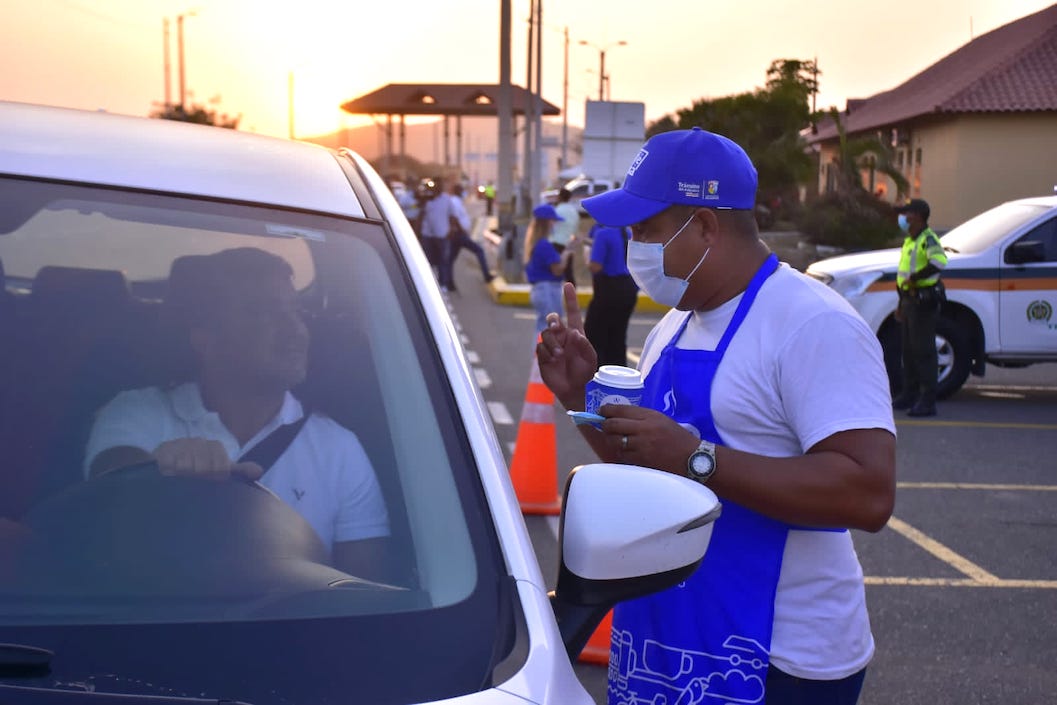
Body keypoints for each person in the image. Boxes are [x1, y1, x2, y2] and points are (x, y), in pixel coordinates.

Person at [536, 127, 896, 705]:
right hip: (671, 640)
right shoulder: (674, 324)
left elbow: (868, 492)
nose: (635, 249)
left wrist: (697, 457)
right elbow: (652, 470)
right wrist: (581, 397)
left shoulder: (811, 323)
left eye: (646, 231)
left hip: (779, 661)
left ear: (704, 225)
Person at [83, 247, 392, 581]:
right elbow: (108, 483)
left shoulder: (339, 449)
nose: (295, 330)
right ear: (205, 338)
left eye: (296, 312)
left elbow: (365, 588)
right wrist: (155, 472)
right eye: (263, 312)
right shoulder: (136, 411)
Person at [892, 198, 947, 417]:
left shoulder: (928, 239)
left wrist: (917, 277)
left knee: (924, 352)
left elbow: (939, 262)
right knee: (908, 351)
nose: (903, 218)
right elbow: (903, 276)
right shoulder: (910, 241)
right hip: (908, 302)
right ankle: (909, 394)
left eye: (907, 213)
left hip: (923, 302)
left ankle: (928, 401)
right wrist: (900, 304)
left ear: (918, 216)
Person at [583, 222, 638, 367]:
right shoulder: (628, 233)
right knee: (618, 337)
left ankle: (598, 374)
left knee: (595, 335)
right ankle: (618, 375)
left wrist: (587, 260)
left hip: (608, 289)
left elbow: (596, 266)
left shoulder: (602, 234)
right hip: (628, 288)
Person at [523, 203, 573, 334]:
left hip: (542, 290)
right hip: (548, 291)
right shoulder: (544, 245)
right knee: (549, 330)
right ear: (546, 223)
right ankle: (539, 355)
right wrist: (567, 254)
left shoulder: (537, 243)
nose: (554, 224)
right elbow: (557, 269)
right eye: (553, 221)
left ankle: (538, 354)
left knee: (543, 328)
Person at [447, 183, 494, 285]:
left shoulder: (457, 202)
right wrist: (461, 230)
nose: (463, 193)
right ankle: (487, 276)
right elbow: (453, 218)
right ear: (458, 191)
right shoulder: (454, 202)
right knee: (479, 250)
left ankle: (448, 281)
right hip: (459, 235)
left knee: (451, 258)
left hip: (458, 234)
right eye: (461, 190)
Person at [419, 178, 456, 291]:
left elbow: (452, 216)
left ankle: (443, 284)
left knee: (443, 260)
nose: (438, 187)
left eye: (441, 185)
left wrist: (451, 230)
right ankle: (427, 284)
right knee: (427, 260)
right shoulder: (427, 198)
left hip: (442, 235)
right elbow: (421, 214)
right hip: (427, 235)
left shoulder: (447, 199)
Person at [550, 187, 581, 286]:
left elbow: (551, 227)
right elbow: (575, 230)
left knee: (554, 271)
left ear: (559, 197)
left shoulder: (557, 210)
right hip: (568, 245)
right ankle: (572, 293)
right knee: (568, 272)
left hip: (555, 243)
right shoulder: (574, 212)